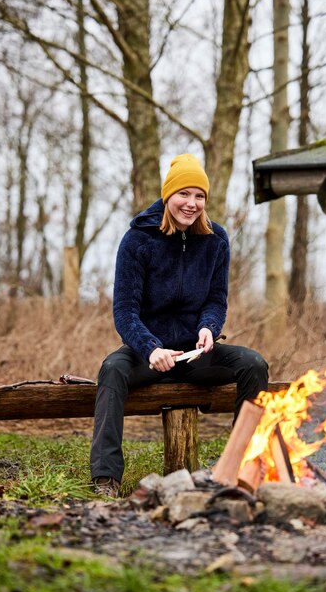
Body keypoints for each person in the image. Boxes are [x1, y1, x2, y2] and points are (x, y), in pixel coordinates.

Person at [90, 154, 269, 497]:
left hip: (195, 355)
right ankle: (106, 477)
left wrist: (208, 328)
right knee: (112, 369)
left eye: (199, 196)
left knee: (253, 363)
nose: (191, 204)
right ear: (168, 195)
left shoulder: (216, 239)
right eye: (183, 194)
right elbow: (125, 311)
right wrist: (150, 348)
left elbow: (216, 300)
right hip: (149, 355)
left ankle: (243, 466)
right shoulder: (137, 240)